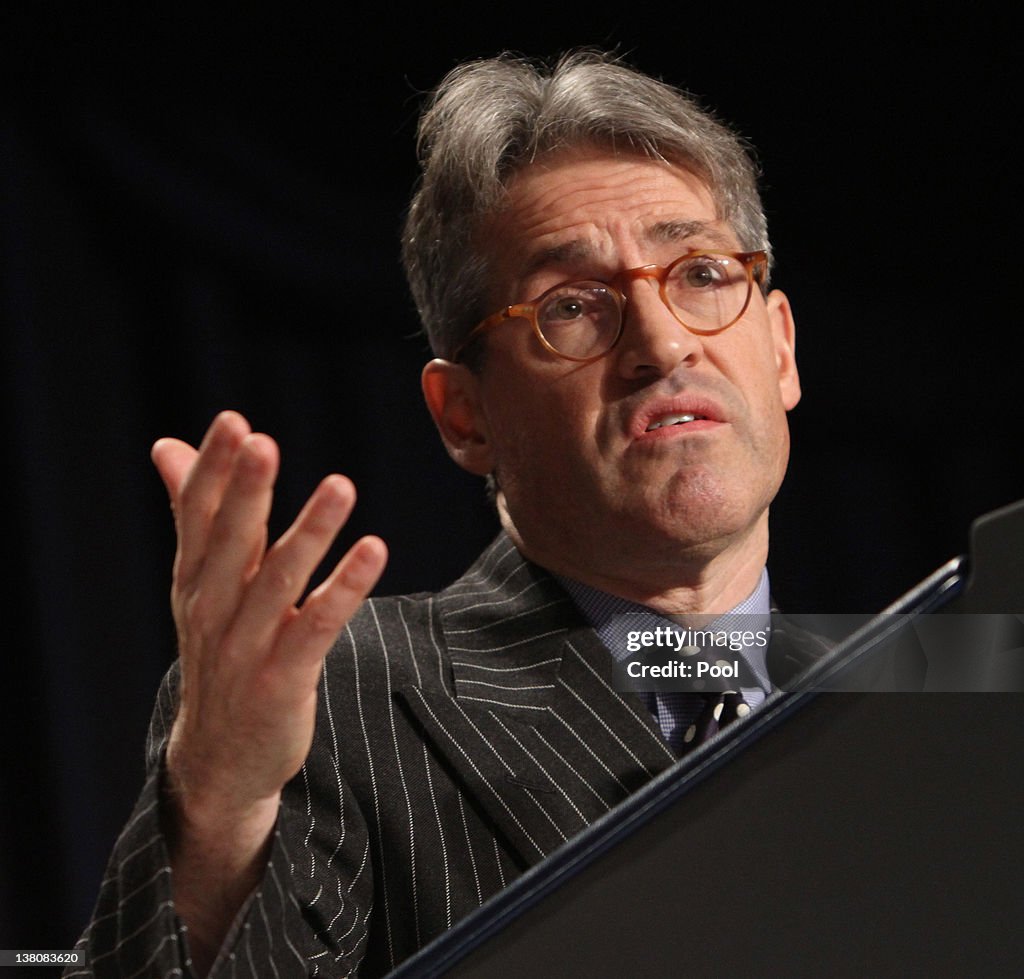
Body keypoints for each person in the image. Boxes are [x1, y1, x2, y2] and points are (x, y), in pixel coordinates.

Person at [68, 50, 810, 978]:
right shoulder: (332, 699)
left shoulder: (927, 683)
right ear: (466, 415)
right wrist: (220, 810)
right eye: (573, 304)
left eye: (701, 272)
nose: (662, 344)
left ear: (779, 347)